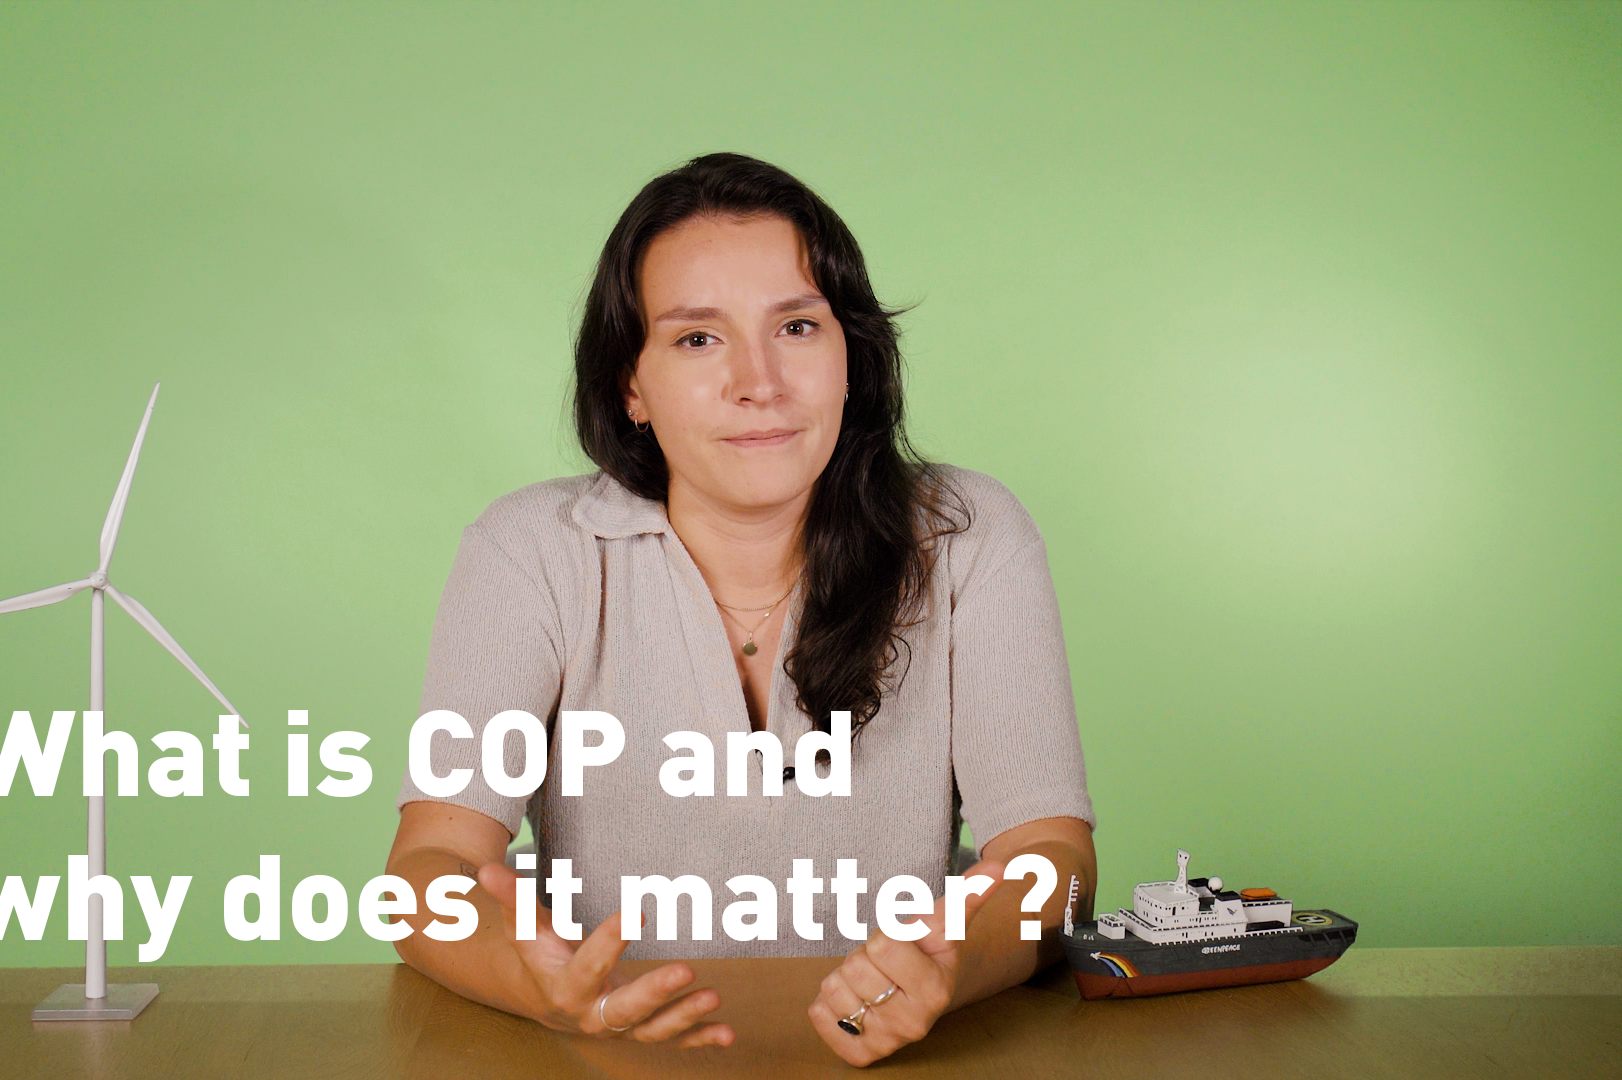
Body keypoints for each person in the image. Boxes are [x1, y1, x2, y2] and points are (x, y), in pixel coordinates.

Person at [383, 152, 1097, 1067]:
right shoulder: (530, 552)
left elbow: (1054, 866)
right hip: (614, 1061)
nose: (759, 381)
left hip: (900, 1059)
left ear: (852, 358)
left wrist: (951, 966)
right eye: (696, 339)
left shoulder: (971, 535)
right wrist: (540, 987)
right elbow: (427, 871)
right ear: (630, 386)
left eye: (797, 326)